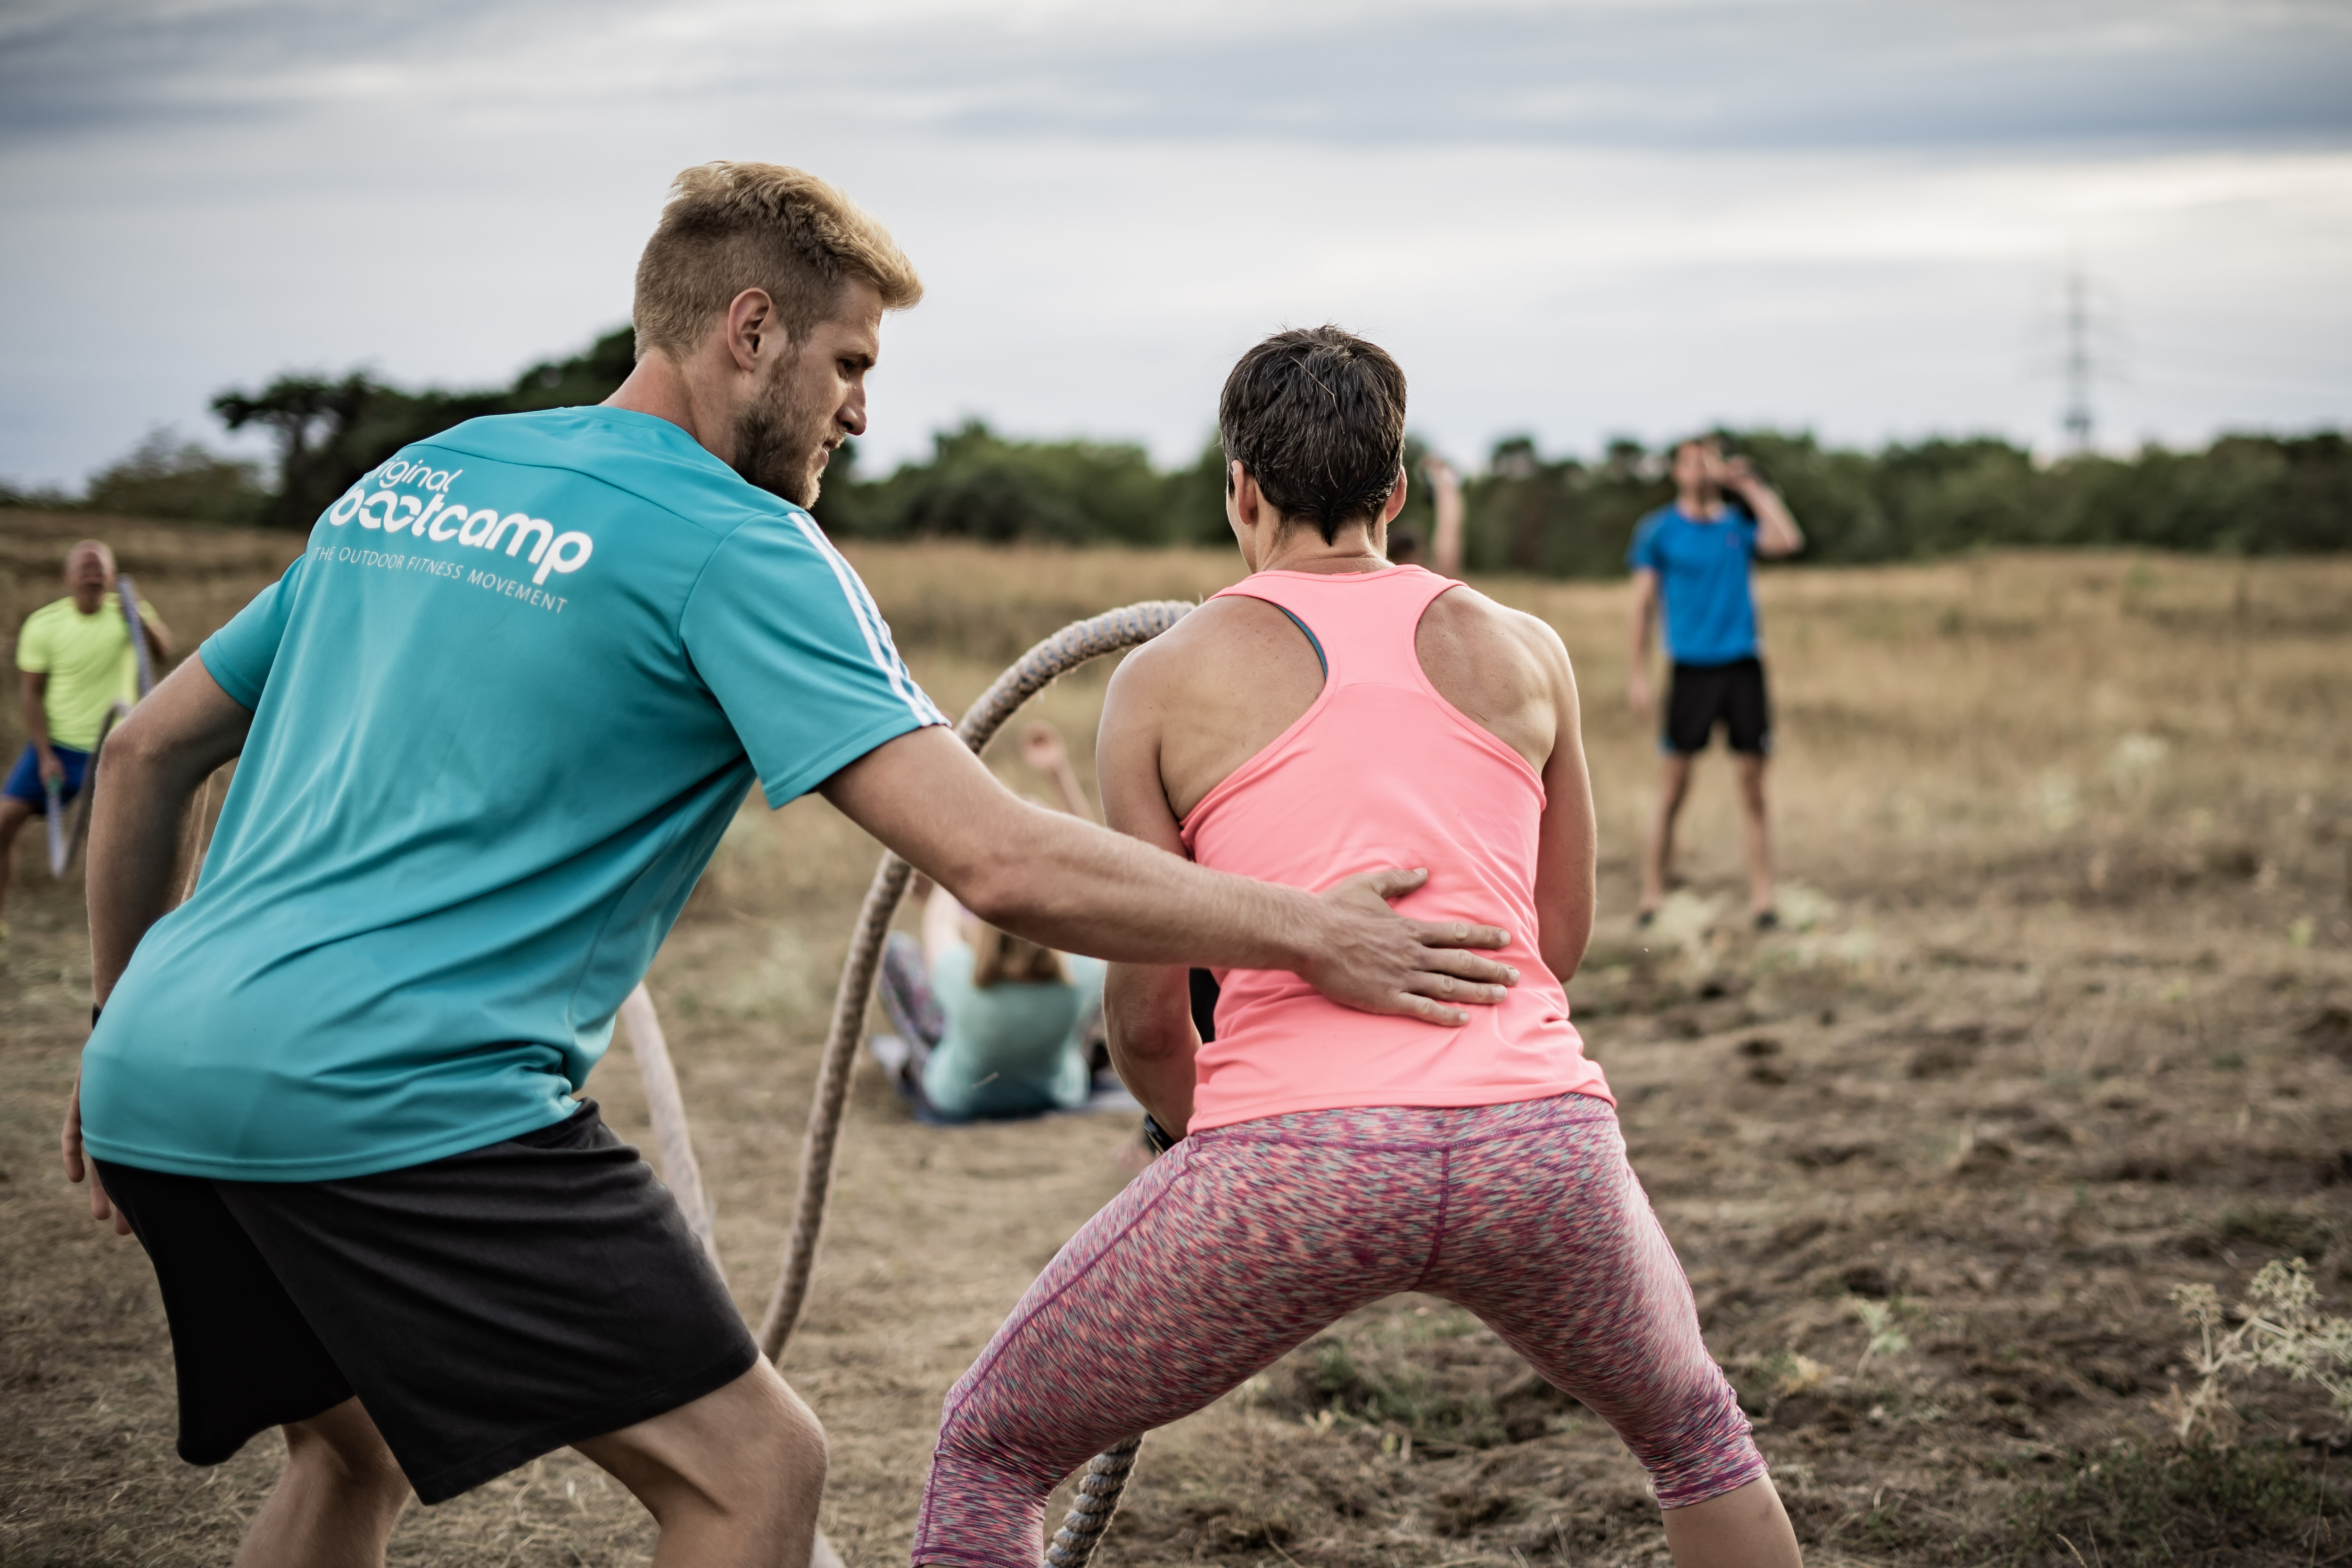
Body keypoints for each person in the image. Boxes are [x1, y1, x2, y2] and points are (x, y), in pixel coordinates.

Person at [60, 166, 1518, 1568]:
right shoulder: (741, 543)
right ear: (747, 329)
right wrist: (1307, 930)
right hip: (403, 1089)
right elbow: (998, 859)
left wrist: (121, 1024)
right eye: (846, 363)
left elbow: (140, 756)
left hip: (157, 1071)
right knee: (757, 1473)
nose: (862, 414)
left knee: (349, 1446)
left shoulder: (426, 475)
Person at [909, 328, 1804, 1568]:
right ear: (1392, 492)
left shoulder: (1159, 681)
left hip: (1293, 1159)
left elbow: (1151, 1017)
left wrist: (1194, 1138)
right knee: (1700, 1442)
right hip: (1534, 1142)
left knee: (990, 1451)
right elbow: (1553, 939)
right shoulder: (1526, 646)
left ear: (1240, 489)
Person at [874, 722, 1109, 1122]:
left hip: (960, 1093)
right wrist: (1057, 774)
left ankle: (933, 1057)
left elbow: (940, 927)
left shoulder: (958, 974)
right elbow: (1094, 867)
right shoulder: (1086, 972)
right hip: (1058, 1088)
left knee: (898, 953)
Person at [1626, 437, 1803, 929]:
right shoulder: (1659, 530)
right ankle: (1652, 895)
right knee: (1675, 785)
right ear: (1677, 471)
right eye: (1690, 459)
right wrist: (1638, 673)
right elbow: (1642, 605)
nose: (1701, 466)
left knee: (1753, 786)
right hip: (1690, 669)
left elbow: (1787, 541)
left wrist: (1751, 487)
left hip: (1742, 664)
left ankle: (1764, 900)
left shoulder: (1737, 525)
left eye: (1709, 458)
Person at [1, 539, 171, 935]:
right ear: (68, 577)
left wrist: (139, 615)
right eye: (86, 567)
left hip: (117, 748)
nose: (93, 575)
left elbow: (163, 652)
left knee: (129, 847)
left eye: (101, 569)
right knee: (5, 822)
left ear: (112, 578)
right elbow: (31, 694)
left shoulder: (129, 613)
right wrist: (44, 756)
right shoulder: (44, 624)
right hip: (59, 748)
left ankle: (144, 931)